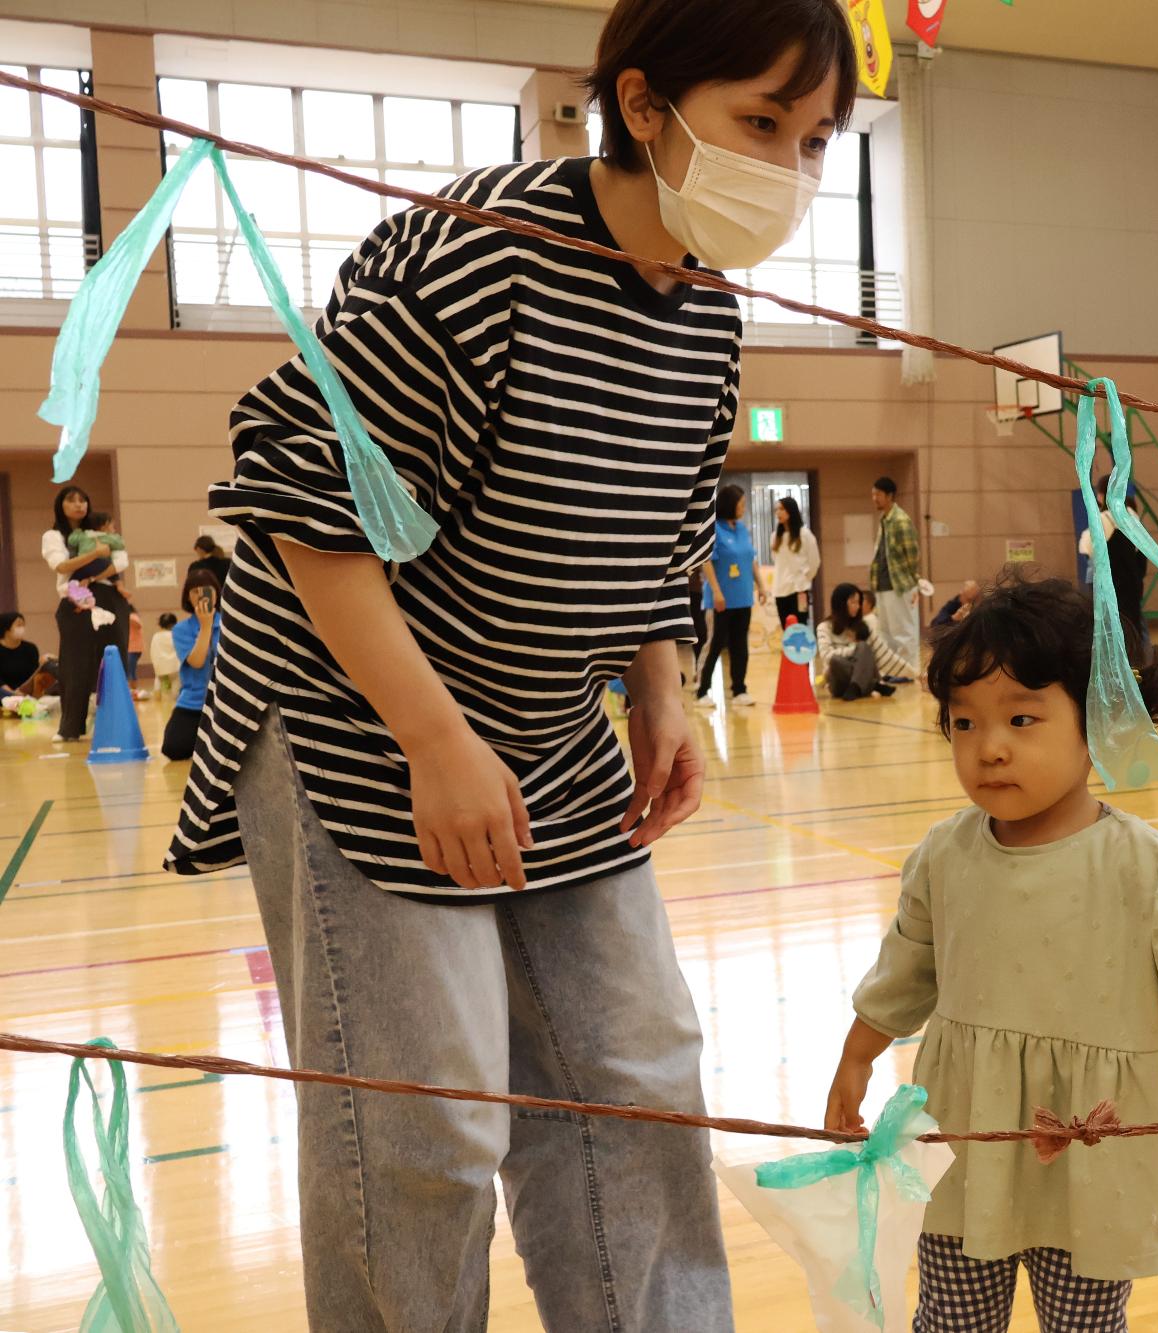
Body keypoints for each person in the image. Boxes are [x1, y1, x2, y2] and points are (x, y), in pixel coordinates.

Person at [161, 2, 858, 1325]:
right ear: (644, 107)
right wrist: (432, 739)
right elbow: (306, 498)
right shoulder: (475, 253)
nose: (793, 169)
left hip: (544, 722)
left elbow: (657, 520)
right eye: (761, 123)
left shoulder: (709, 308)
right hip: (351, 709)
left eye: (818, 138)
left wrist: (659, 694)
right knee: (424, 1125)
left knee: (639, 1072)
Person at [824, 574, 1158, 1327]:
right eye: (963, 723)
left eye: (1021, 717)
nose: (988, 747)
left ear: (1099, 720)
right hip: (969, 1145)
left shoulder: (1136, 860)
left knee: (1086, 1324)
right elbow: (907, 967)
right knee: (950, 1319)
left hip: (1092, 1161)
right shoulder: (945, 855)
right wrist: (856, 1052)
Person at [42, 485, 132, 743]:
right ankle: (71, 727)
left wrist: (94, 574)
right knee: (75, 664)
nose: (79, 504)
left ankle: (116, 723)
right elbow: (60, 565)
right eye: (72, 500)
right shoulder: (54, 536)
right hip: (73, 600)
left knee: (115, 660)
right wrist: (95, 553)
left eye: (83, 499)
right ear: (61, 505)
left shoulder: (103, 530)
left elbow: (121, 560)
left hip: (109, 599)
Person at [697, 482, 768, 707]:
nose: (743, 507)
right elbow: (706, 562)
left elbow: (751, 559)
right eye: (741, 503)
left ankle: (739, 690)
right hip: (720, 600)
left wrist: (762, 586)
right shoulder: (714, 529)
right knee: (715, 645)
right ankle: (702, 691)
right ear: (729, 504)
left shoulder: (741, 528)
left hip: (743, 598)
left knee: (740, 645)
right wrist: (717, 592)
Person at [1082, 473, 1151, 644]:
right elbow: (1142, 548)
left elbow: (1087, 548)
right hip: (1132, 581)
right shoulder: (1131, 514)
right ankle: (1141, 662)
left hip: (1111, 583)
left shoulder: (1103, 518)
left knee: (1110, 629)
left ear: (1101, 494)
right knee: (1133, 625)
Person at [161, 573, 221, 762]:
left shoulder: (231, 622)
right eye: (195, 591)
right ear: (188, 596)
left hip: (225, 702)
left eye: (207, 590)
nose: (201, 595)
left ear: (217, 594)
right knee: (174, 749)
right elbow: (196, 662)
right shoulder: (181, 629)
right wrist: (205, 627)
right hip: (194, 701)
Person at [869, 474, 921, 680]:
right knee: (887, 633)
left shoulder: (900, 520)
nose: (874, 498)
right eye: (873, 494)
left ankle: (908, 671)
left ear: (889, 495)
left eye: (878, 494)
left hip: (899, 586)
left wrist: (911, 583)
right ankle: (893, 669)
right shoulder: (885, 520)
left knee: (904, 631)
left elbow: (912, 555)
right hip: (883, 586)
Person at [815, 581, 895, 700]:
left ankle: (856, 687)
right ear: (841, 603)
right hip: (837, 681)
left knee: (864, 647)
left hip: (855, 682)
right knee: (836, 660)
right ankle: (871, 685)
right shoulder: (824, 627)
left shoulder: (862, 626)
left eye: (859, 602)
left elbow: (883, 654)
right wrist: (854, 650)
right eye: (853, 602)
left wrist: (914, 673)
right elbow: (827, 656)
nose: (857, 606)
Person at [769, 494, 819, 627]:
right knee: (786, 630)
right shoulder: (775, 537)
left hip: (799, 590)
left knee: (800, 627)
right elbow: (776, 560)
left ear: (791, 510)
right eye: (776, 510)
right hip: (780, 589)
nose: (778, 513)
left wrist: (805, 578)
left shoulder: (805, 534)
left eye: (782, 509)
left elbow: (815, 561)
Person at [0, 612, 57, 699]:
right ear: (6, 629)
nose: (22, 628)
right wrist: (13, 694)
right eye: (18, 625)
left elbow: (34, 674)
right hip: (5, 694)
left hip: (26, 693)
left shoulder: (30, 648)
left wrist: (43, 664)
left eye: (23, 625)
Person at [190, 533, 233, 607]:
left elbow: (192, 588)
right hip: (226, 603)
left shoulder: (195, 566)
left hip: (204, 604)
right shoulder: (227, 563)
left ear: (199, 549)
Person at [149, 613, 180, 702]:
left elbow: (153, 651)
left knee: (159, 682)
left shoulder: (156, 636)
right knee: (175, 687)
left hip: (161, 667)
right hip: (174, 667)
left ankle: (158, 700)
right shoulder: (175, 635)